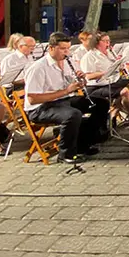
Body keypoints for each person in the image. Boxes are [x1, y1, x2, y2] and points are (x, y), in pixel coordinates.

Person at [24, 32, 110, 163]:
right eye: (63, 49)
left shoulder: (67, 61)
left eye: (68, 48)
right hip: (40, 108)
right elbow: (32, 99)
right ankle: (65, 154)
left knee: (101, 104)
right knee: (73, 114)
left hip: (61, 100)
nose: (67, 52)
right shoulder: (38, 68)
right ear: (51, 48)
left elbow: (75, 84)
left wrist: (82, 80)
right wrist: (66, 91)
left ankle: (83, 144)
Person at [80, 32, 129, 126]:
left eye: (109, 41)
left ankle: (114, 112)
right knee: (125, 91)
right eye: (105, 41)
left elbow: (115, 68)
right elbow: (88, 76)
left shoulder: (110, 53)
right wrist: (105, 73)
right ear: (97, 42)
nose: (108, 43)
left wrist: (119, 64)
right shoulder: (89, 57)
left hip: (112, 82)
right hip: (96, 87)